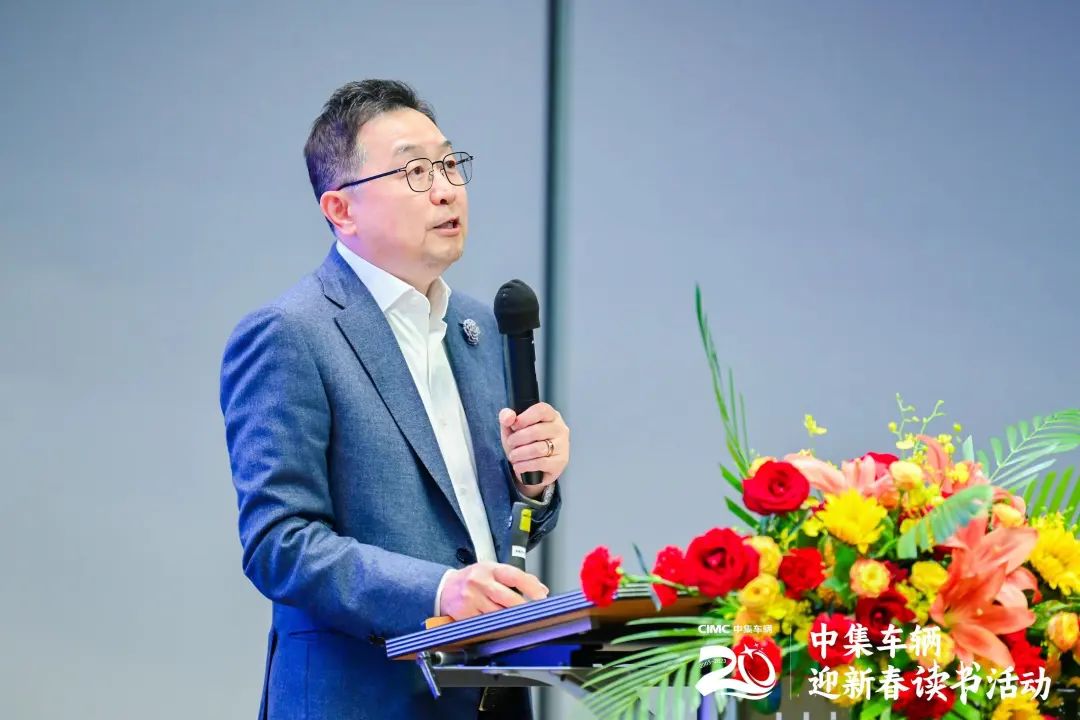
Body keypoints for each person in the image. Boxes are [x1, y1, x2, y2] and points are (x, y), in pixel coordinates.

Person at [219, 79, 569, 720]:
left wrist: (534, 485)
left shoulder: (479, 326)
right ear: (341, 209)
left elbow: (488, 535)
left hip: (488, 696)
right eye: (414, 171)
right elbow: (279, 543)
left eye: (450, 164)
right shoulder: (291, 334)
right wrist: (438, 591)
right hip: (360, 699)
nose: (446, 188)